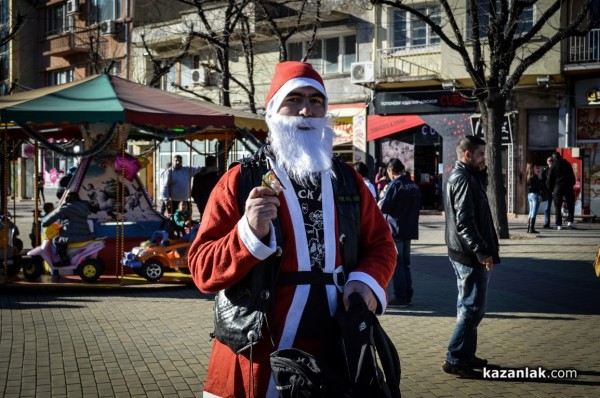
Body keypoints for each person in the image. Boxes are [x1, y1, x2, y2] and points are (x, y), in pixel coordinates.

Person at [187, 61, 396, 397]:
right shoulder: (241, 181)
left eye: (316, 101)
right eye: (294, 99)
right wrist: (248, 234)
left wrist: (365, 283)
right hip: (256, 355)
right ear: (273, 110)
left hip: (334, 353)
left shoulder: (347, 180)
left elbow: (382, 247)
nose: (305, 111)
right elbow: (201, 269)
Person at [442, 135, 500, 378]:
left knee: (470, 306)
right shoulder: (463, 180)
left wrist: (483, 173)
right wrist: (481, 252)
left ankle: (466, 354)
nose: (483, 158)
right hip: (468, 254)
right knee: (472, 308)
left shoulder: (467, 177)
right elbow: (465, 223)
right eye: (480, 154)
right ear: (468, 155)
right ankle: (454, 358)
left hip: (464, 251)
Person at [378, 158, 421, 306]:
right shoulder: (413, 185)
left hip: (395, 228)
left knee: (398, 264)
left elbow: (382, 207)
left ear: (390, 171)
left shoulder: (395, 185)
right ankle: (408, 294)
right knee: (406, 264)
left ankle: (401, 296)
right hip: (410, 229)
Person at [41, 192, 95, 266]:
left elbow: (55, 216)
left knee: (57, 240)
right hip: (85, 233)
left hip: (72, 233)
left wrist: (45, 223)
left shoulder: (67, 208)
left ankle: (64, 261)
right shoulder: (83, 206)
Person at [546, 151, 576, 230]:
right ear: (560, 156)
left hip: (557, 187)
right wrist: (571, 184)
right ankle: (570, 222)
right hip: (568, 187)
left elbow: (549, 179)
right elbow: (572, 176)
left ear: (553, 158)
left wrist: (551, 189)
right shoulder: (567, 164)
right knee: (570, 204)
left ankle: (558, 224)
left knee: (557, 206)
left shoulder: (553, 166)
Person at [525, 162, 542, 234]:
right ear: (532, 168)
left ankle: (528, 228)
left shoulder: (527, 176)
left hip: (529, 195)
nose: (536, 168)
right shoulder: (534, 176)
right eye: (535, 167)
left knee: (531, 211)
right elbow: (538, 186)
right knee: (534, 212)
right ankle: (531, 228)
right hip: (535, 194)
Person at [541, 156, 553, 229]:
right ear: (547, 162)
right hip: (548, 190)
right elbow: (543, 180)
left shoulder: (555, 169)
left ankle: (559, 223)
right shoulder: (545, 170)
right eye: (549, 160)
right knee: (547, 208)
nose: (550, 162)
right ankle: (547, 223)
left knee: (559, 207)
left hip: (555, 190)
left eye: (551, 160)